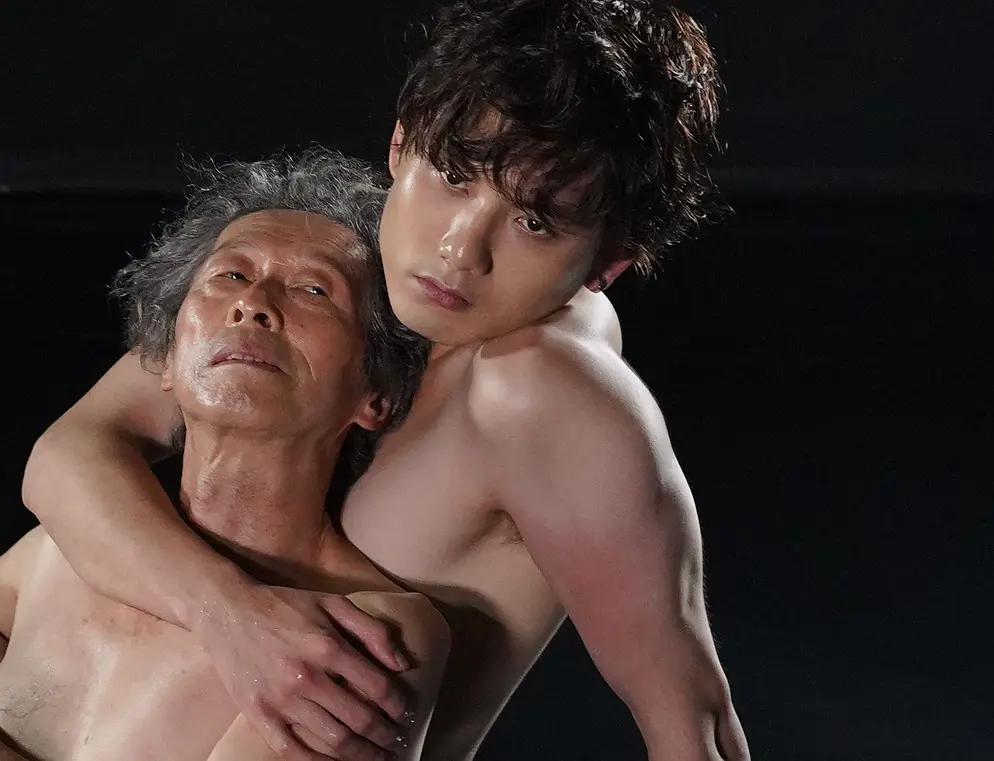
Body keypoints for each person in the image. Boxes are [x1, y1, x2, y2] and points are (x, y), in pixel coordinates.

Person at [22, 2, 751, 760]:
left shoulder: (540, 392)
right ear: (401, 144)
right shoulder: (356, 266)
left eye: (534, 222)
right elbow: (69, 454)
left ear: (606, 265)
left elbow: (689, 717)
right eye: (454, 176)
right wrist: (229, 613)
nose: (459, 249)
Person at [1, 152, 448, 761]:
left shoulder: (372, 629)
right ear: (164, 361)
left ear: (376, 394)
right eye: (230, 276)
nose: (253, 304)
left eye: (314, 290)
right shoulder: (58, 548)